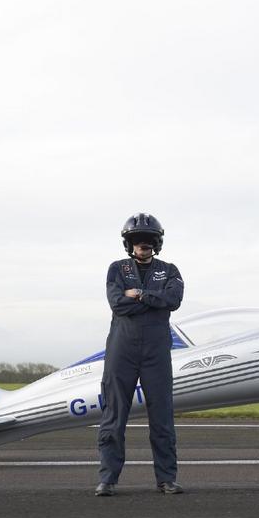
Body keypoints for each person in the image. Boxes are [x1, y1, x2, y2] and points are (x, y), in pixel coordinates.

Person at [95, 212, 185, 496]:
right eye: (137, 240)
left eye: (148, 240)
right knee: (114, 415)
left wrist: (140, 294)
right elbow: (117, 304)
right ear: (129, 244)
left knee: (162, 416)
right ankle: (108, 479)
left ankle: (166, 478)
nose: (142, 245)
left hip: (156, 353)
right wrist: (154, 301)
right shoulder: (116, 269)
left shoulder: (169, 270)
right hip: (122, 350)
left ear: (156, 243)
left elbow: (173, 300)